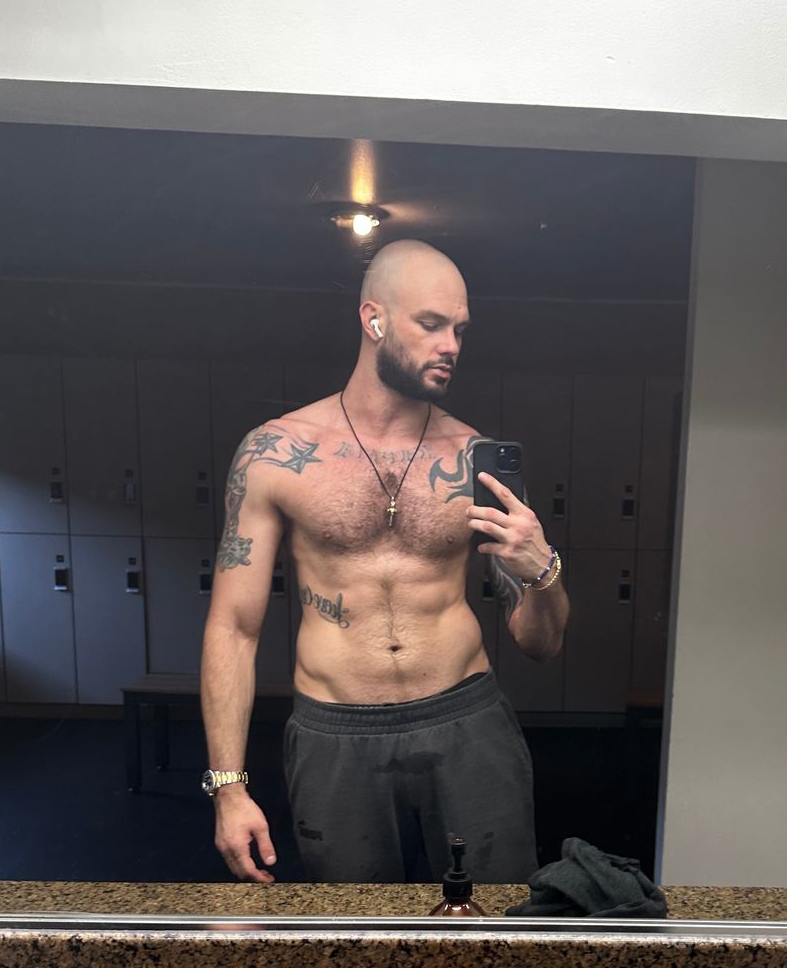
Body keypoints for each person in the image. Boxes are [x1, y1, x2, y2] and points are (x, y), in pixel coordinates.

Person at [199, 239, 569, 884]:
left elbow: (541, 644)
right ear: (373, 320)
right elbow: (234, 629)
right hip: (335, 734)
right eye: (431, 324)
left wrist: (544, 571)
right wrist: (228, 788)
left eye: (459, 330)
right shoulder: (276, 453)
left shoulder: (472, 457)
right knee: (356, 931)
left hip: (466, 723)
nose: (451, 345)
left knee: (494, 923)